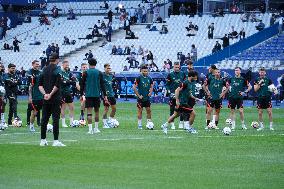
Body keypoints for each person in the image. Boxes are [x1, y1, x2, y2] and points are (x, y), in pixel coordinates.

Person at [38, 53, 65, 146]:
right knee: (55, 119)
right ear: (57, 59)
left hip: (45, 98)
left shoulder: (44, 69)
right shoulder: (58, 69)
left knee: (44, 118)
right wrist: (50, 94)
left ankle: (43, 140)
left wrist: (45, 94)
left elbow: (40, 85)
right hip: (55, 97)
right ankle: (56, 141)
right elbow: (57, 85)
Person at [80, 58, 108, 134]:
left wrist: (81, 94)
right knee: (97, 112)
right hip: (96, 95)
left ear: (89, 64)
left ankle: (90, 130)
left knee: (89, 112)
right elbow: (102, 85)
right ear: (95, 64)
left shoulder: (85, 73)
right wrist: (105, 95)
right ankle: (96, 128)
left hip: (88, 95)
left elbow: (82, 84)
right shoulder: (99, 73)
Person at [133, 65, 154, 129]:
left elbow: (152, 85)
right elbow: (134, 87)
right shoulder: (138, 78)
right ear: (141, 71)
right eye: (144, 71)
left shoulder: (149, 78)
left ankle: (149, 124)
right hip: (140, 98)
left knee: (148, 110)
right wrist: (139, 96)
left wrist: (150, 92)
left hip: (147, 98)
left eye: (146, 71)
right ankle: (139, 125)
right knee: (140, 110)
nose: (146, 72)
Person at [165, 62, 186, 129]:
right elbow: (167, 85)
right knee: (172, 109)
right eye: (175, 67)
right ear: (173, 67)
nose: (177, 68)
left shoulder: (183, 74)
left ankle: (181, 123)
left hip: (181, 95)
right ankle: (172, 124)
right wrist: (169, 91)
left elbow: (185, 84)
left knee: (182, 109)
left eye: (178, 67)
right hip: (172, 95)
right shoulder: (170, 74)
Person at [60, 60, 80, 128]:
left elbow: (75, 80)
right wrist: (70, 82)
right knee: (63, 107)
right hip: (62, 92)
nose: (67, 67)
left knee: (72, 107)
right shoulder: (60, 72)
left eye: (68, 65)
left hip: (68, 92)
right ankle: (63, 123)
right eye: (66, 65)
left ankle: (71, 122)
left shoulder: (69, 73)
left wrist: (73, 81)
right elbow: (63, 82)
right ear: (62, 65)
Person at [26, 60, 43, 132]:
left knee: (45, 111)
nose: (38, 65)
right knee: (35, 112)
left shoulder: (41, 72)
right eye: (36, 64)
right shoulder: (29, 72)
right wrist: (30, 97)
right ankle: (31, 125)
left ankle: (43, 124)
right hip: (35, 96)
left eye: (38, 64)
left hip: (42, 95)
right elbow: (30, 86)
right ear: (32, 64)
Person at [102, 64, 119, 128]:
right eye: (107, 68)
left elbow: (113, 84)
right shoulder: (102, 76)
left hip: (112, 94)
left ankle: (110, 120)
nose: (109, 69)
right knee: (106, 109)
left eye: (109, 68)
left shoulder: (112, 76)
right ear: (104, 69)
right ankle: (104, 124)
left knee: (114, 109)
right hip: (106, 95)